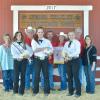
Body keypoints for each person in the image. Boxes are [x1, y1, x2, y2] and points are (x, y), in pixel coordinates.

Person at [31, 27, 53, 95]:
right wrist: (45, 48)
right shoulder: (34, 41)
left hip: (45, 59)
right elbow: (35, 50)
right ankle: (35, 91)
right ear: (37, 33)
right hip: (37, 59)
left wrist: (49, 53)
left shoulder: (47, 41)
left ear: (43, 33)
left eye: (41, 32)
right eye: (39, 32)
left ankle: (46, 91)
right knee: (36, 75)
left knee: (46, 75)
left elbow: (51, 50)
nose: (40, 33)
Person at [63, 31, 81, 97]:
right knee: (69, 77)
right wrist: (65, 57)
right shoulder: (66, 43)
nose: (70, 36)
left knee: (76, 77)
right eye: (69, 35)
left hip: (75, 60)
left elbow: (77, 52)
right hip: (68, 61)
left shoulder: (77, 42)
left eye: (72, 35)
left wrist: (69, 56)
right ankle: (70, 92)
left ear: (74, 35)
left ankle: (78, 92)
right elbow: (64, 50)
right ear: (68, 36)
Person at [24, 26, 36, 91]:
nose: (30, 33)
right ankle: (27, 86)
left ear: (33, 33)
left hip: (35, 58)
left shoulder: (35, 40)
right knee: (27, 73)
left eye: (31, 32)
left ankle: (34, 86)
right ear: (27, 33)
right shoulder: (24, 40)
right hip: (27, 59)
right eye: (29, 32)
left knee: (34, 73)